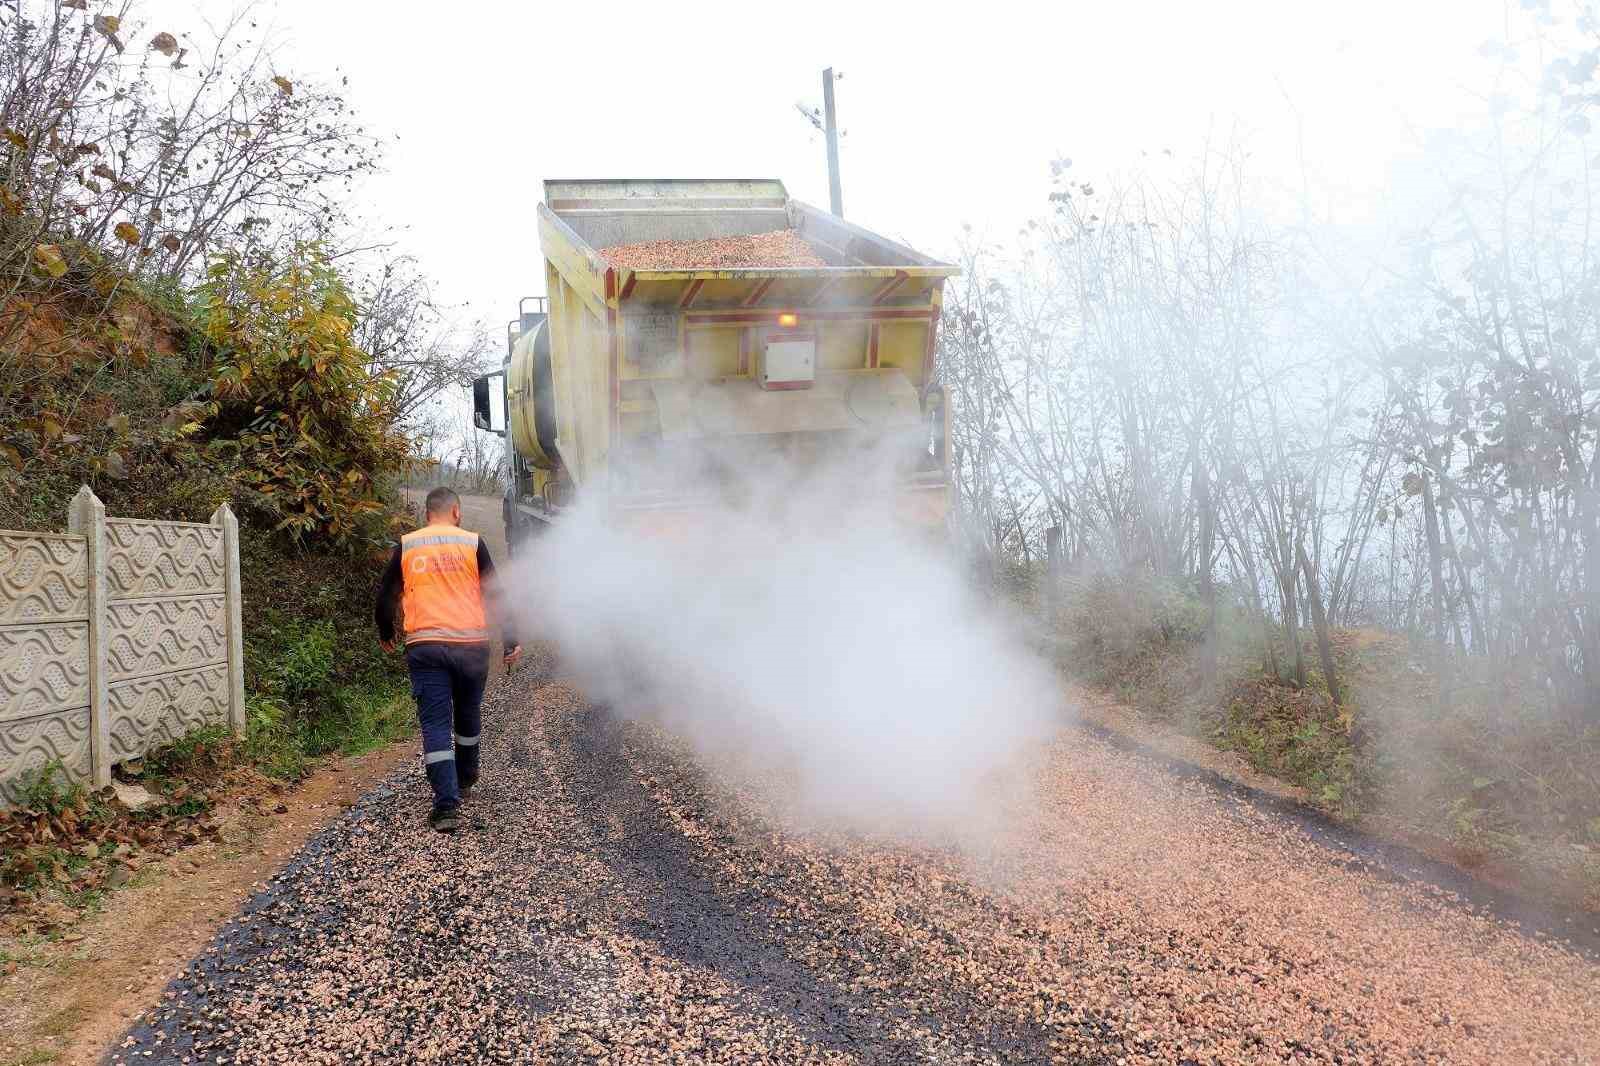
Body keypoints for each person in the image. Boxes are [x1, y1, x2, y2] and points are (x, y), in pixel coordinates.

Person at [376, 487, 521, 832]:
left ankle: (445, 806)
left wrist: (386, 632)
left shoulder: (408, 545)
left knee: (436, 723)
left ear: (428, 514)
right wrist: (511, 638)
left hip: (426, 647)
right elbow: (496, 594)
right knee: (468, 712)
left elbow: (386, 596)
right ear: (456, 511)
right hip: (471, 645)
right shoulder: (473, 543)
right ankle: (466, 777)